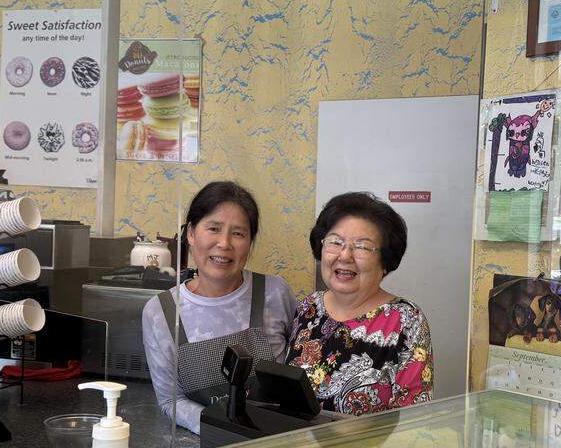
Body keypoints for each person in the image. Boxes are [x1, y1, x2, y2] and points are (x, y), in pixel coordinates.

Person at [142, 181, 296, 433]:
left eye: (238, 233)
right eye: (213, 228)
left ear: (250, 242)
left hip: (276, 442)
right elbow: (171, 401)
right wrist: (225, 429)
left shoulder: (275, 293)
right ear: (191, 233)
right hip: (209, 447)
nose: (224, 243)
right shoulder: (161, 311)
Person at [285, 192, 433, 415]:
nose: (345, 255)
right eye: (335, 242)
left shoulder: (406, 321)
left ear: (385, 260)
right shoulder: (309, 307)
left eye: (362, 247)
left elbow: (413, 419)